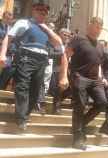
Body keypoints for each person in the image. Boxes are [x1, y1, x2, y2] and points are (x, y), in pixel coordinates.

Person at [0, 2, 62, 131]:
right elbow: (8, 37)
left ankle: (25, 115)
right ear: (33, 11)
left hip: (41, 61)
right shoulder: (24, 23)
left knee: (35, 91)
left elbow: (58, 42)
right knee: (22, 86)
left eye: (45, 12)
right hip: (26, 57)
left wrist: (47, 28)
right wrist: (2, 54)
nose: (42, 13)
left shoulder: (46, 29)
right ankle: (21, 118)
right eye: (39, 10)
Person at [59, 17, 108, 150]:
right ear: (90, 25)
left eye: (100, 28)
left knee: (102, 103)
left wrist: (101, 76)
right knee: (80, 105)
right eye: (96, 26)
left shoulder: (100, 46)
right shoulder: (78, 39)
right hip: (79, 76)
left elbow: (99, 64)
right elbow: (65, 55)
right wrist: (63, 76)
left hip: (95, 79)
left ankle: (79, 126)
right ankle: (77, 138)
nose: (98, 30)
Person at [0, 11, 14, 89]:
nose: (9, 21)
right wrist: (3, 42)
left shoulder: (11, 28)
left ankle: (1, 86)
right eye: (8, 19)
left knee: (9, 69)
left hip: (7, 52)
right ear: (3, 17)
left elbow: (13, 40)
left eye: (10, 19)